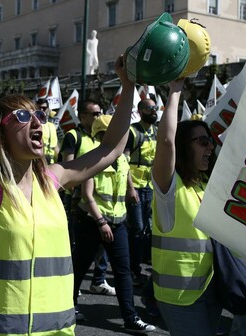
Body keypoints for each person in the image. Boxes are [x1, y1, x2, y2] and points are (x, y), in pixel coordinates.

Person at [0, 17, 138, 335]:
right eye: (24, 116)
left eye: (39, 115)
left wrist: (128, 86)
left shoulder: (54, 180)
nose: (38, 123)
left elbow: (111, 148)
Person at [72, 114, 155, 333]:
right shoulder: (91, 157)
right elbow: (87, 196)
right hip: (92, 222)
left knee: (123, 271)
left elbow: (125, 172)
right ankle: (69, 306)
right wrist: (101, 222)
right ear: (103, 136)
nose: (122, 138)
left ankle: (131, 317)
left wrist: (131, 188)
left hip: (117, 223)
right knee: (80, 267)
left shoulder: (121, 158)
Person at [151, 79, 221, 335]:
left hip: (210, 289)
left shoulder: (203, 185)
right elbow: (166, 142)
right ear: (184, 146)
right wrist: (175, 90)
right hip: (179, 297)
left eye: (211, 141)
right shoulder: (169, 187)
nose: (210, 147)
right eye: (202, 142)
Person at [60, 99, 114, 296]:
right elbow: (68, 166)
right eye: (94, 114)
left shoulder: (99, 138)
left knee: (104, 239)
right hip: (76, 196)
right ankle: (71, 281)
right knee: (76, 241)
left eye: (100, 113)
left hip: (99, 197)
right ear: (82, 116)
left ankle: (98, 280)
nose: (98, 117)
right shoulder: (73, 136)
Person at [126, 99, 158, 285]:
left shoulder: (156, 131)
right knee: (137, 228)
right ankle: (132, 270)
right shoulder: (132, 131)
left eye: (155, 108)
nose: (153, 111)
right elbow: (125, 162)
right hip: (135, 187)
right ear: (140, 111)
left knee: (145, 229)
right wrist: (130, 188)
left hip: (150, 187)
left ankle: (134, 267)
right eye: (149, 108)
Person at [35, 98, 59, 164]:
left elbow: (55, 146)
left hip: (51, 163)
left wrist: (60, 159)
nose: (41, 110)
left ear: (48, 109)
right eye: (39, 108)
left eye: (44, 108)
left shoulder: (52, 126)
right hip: (37, 162)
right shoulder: (33, 125)